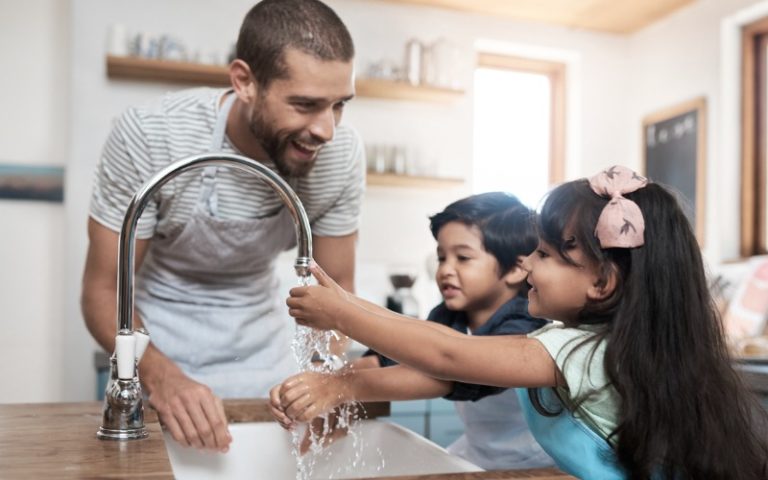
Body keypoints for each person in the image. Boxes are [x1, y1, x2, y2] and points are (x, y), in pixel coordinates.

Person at [284, 166, 768, 479]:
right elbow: (436, 339)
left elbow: (449, 356)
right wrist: (347, 306)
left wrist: (344, 314)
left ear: (600, 283)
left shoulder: (571, 351)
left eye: (545, 254)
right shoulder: (597, 344)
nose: (529, 266)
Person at [81, 0, 364, 454]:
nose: (326, 129)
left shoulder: (339, 156)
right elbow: (103, 291)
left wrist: (322, 378)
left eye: (339, 106)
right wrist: (160, 378)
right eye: (305, 105)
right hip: (156, 344)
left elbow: (339, 289)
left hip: (264, 355)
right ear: (244, 82)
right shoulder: (152, 135)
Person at [271, 192, 555, 470]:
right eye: (442, 257)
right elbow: (390, 358)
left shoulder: (526, 323)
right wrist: (314, 384)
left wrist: (339, 386)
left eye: (463, 258)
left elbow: (447, 373)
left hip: (539, 466)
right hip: (477, 455)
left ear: (518, 268)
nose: (445, 270)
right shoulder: (449, 315)